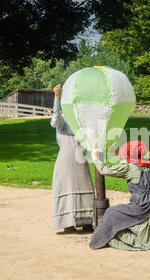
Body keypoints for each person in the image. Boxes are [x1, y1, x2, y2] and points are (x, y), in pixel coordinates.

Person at [89, 141, 150, 250]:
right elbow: (130, 162)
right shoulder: (147, 164)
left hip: (144, 205)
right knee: (120, 214)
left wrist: (95, 158)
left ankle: (99, 239)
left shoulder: (129, 168)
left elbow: (104, 170)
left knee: (112, 213)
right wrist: (115, 152)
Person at [51, 84, 94, 232]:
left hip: (80, 157)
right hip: (66, 159)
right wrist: (56, 98)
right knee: (67, 187)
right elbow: (55, 119)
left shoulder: (81, 120)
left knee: (85, 186)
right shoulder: (61, 120)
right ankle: (68, 223)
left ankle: (87, 221)